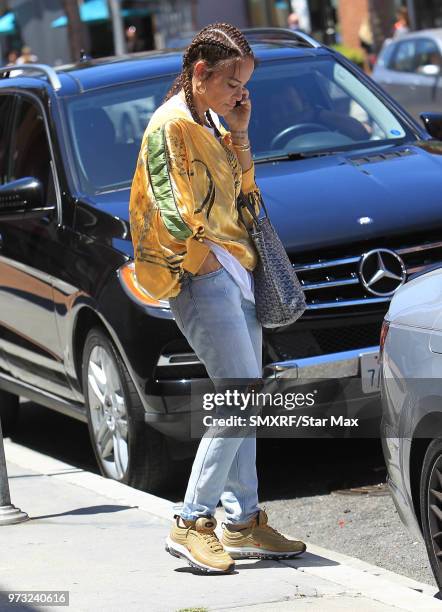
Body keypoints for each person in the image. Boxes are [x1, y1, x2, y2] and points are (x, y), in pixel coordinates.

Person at [129, 22, 306, 574]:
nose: (240, 94)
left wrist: (241, 134)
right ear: (200, 73)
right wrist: (201, 262)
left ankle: (242, 522)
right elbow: (170, 206)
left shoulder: (208, 118)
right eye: (233, 83)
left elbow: (246, 195)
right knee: (240, 397)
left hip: (235, 270)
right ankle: (191, 521)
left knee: (244, 402)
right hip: (201, 275)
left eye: (245, 85)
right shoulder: (170, 125)